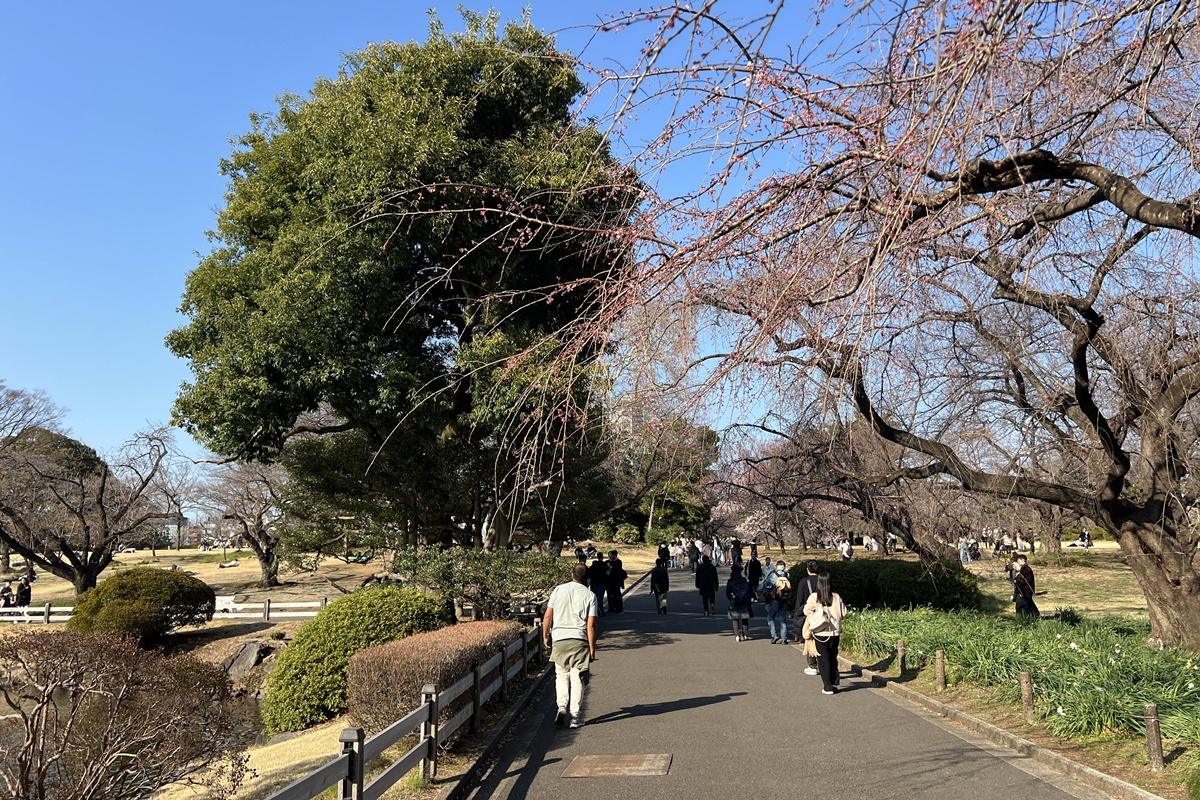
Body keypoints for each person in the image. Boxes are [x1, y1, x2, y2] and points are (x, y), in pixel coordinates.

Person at [543, 564, 598, 728]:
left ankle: (561, 706)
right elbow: (591, 625)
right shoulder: (590, 595)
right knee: (577, 679)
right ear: (587, 577)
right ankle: (575, 717)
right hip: (579, 640)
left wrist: (545, 635)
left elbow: (548, 616)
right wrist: (592, 648)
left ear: (572, 574)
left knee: (561, 675)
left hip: (559, 638)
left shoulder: (559, 590)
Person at [802, 572, 848, 695]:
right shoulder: (836, 597)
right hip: (834, 633)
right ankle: (834, 682)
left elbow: (806, 611)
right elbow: (844, 612)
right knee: (833, 657)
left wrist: (816, 613)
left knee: (823, 660)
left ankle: (827, 686)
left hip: (820, 633)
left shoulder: (814, 597)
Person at [793, 560, 821, 668]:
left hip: (808, 613)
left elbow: (799, 600)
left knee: (809, 637)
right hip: (822, 612)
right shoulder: (823, 581)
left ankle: (812, 664)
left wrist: (797, 615)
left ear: (807, 570)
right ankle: (822, 663)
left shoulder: (804, 582)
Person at [725, 563, 754, 641]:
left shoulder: (731, 581)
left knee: (735, 619)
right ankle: (745, 634)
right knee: (744, 618)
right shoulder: (743, 580)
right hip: (744, 600)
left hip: (734, 600)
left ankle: (737, 635)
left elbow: (728, 592)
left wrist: (731, 598)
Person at [766, 560, 791, 644]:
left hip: (775, 599)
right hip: (784, 599)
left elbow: (765, 585)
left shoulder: (773, 575)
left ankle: (774, 635)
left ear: (777, 566)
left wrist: (758, 592)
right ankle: (784, 638)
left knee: (770, 617)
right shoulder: (787, 575)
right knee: (782, 618)